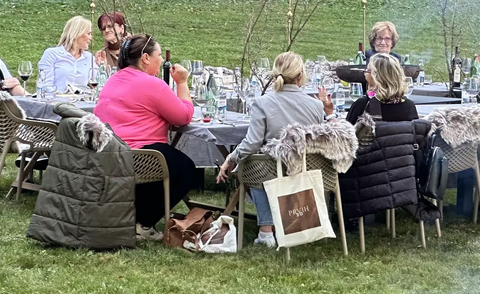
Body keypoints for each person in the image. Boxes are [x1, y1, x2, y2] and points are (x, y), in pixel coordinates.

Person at [216, 52, 335, 247]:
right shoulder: (316, 105)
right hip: (307, 170)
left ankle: (266, 231)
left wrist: (231, 158)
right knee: (265, 164)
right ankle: (296, 223)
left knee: (254, 164)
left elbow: (252, 143)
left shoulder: (263, 103)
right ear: (300, 76)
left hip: (272, 171)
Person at [94, 34, 196, 240]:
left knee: (169, 161)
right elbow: (183, 117)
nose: (161, 60)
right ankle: (144, 222)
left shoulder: (113, 79)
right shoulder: (152, 84)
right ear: (146, 58)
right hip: (139, 155)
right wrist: (182, 83)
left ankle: (133, 217)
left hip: (109, 151)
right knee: (186, 169)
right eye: (158, 55)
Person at [346, 52, 417, 124]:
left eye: (367, 71)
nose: (365, 74)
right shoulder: (409, 106)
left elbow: (346, 133)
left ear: (375, 77)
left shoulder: (363, 105)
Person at [38, 16, 96, 93]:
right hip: (57, 102)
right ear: (77, 33)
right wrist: (60, 96)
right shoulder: (52, 54)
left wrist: (101, 65)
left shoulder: (89, 57)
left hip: (82, 103)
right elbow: (45, 85)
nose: (90, 38)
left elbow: (98, 86)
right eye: (88, 33)